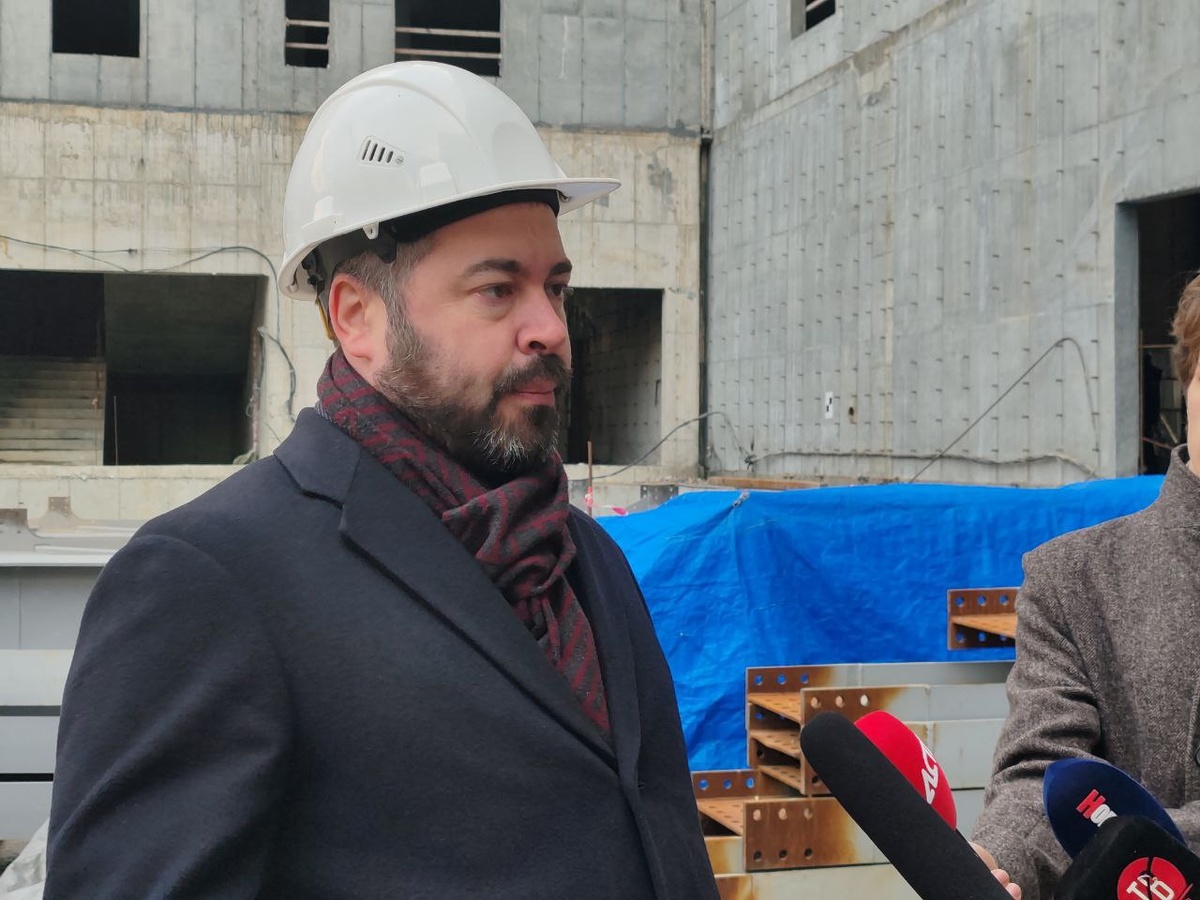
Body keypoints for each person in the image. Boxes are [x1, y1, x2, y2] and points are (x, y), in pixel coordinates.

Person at [43, 62, 719, 899]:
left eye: (555, 286)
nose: (549, 327)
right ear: (358, 318)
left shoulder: (588, 557)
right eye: (497, 289)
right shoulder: (209, 579)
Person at [971, 273, 1200, 899]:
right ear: (1188, 380)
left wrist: (1140, 841)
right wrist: (997, 861)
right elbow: (1047, 776)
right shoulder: (1072, 578)